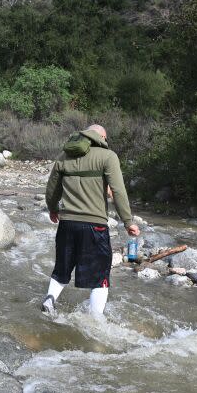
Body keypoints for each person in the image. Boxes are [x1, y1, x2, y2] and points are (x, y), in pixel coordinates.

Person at [41, 124, 139, 317]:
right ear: (101, 137)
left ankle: (50, 299)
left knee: (62, 268)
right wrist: (128, 222)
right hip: (95, 226)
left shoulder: (64, 156)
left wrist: (53, 209)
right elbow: (118, 191)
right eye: (106, 138)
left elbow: (52, 190)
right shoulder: (108, 156)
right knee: (100, 277)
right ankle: (96, 321)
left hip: (67, 224)